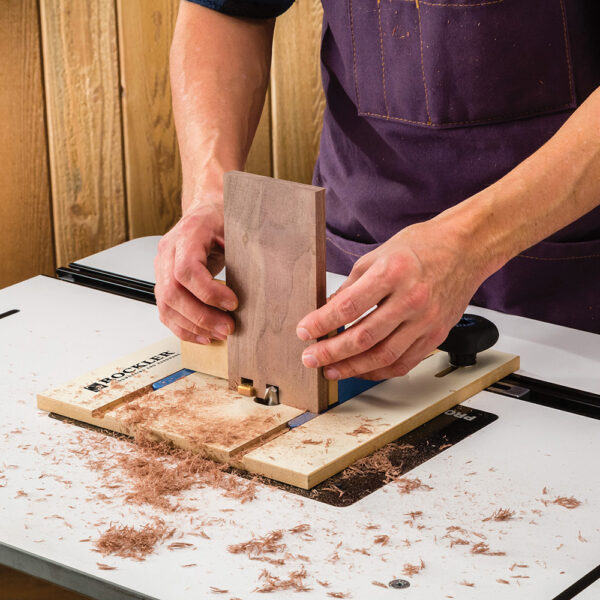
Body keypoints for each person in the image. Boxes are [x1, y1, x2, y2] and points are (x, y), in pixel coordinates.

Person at [155, 0, 600, 382]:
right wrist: (211, 192)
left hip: (570, 288)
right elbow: (229, 11)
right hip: (357, 256)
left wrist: (468, 244)